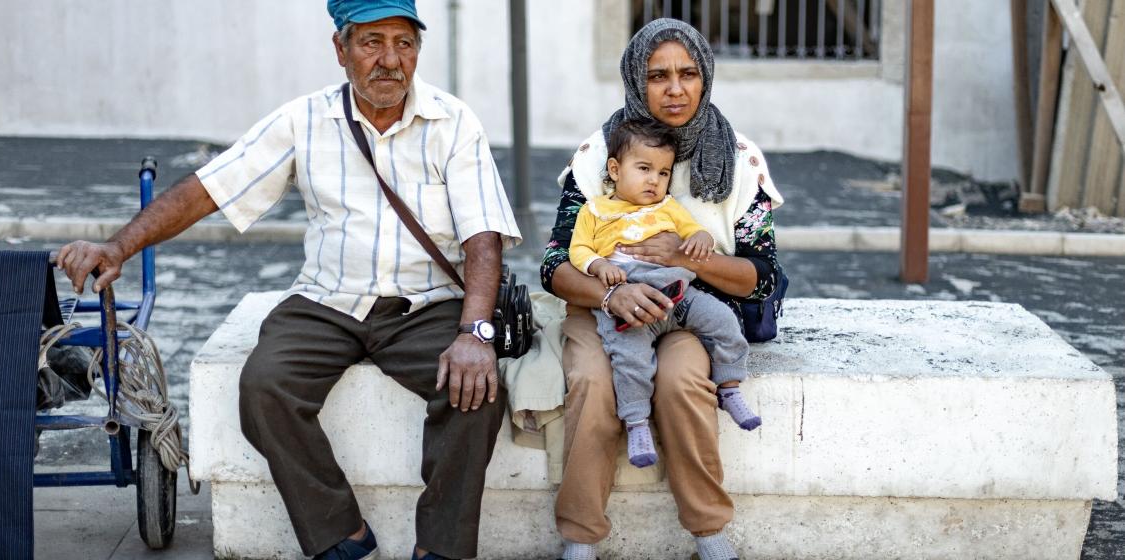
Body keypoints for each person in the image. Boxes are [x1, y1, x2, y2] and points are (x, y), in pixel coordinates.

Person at [57, 2, 521, 559]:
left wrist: (475, 332)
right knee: (264, 387)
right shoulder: (304, 120)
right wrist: (118, 245)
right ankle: (341, 536)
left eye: (404, 42)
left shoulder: (454, 121)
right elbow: (210, 189)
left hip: (426, 304)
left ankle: (440, 549)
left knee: (475, 394)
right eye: (372, 42)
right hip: (326, 300)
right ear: (340, 48)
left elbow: (482, 239)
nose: (391, 60)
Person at [540, 18, 784, 560]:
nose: (675, 89)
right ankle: (580, 537)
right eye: (657, 76)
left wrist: (681, 256)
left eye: (688, 73)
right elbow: (555, 261)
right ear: (635, 80)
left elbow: (760, 274)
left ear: (706, 77)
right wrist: (609, 295)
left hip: (687, 309)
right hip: (603, 307)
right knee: (592, 383)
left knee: (679, 381)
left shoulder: (740, 161)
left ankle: (709, 532)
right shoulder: (598, 154)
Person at [568, 119, 760, 469]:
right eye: (644, 169)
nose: (654, 180)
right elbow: (577, 251)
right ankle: (637, 422)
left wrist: (702, 239)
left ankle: (729, 386)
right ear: (615, 169)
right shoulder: (594, 211)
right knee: (629, 358)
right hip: (627, 299)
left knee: (722, 320)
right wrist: (598, 266)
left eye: (662, 172)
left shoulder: (667, 207)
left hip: (678, 293)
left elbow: (693, 231)